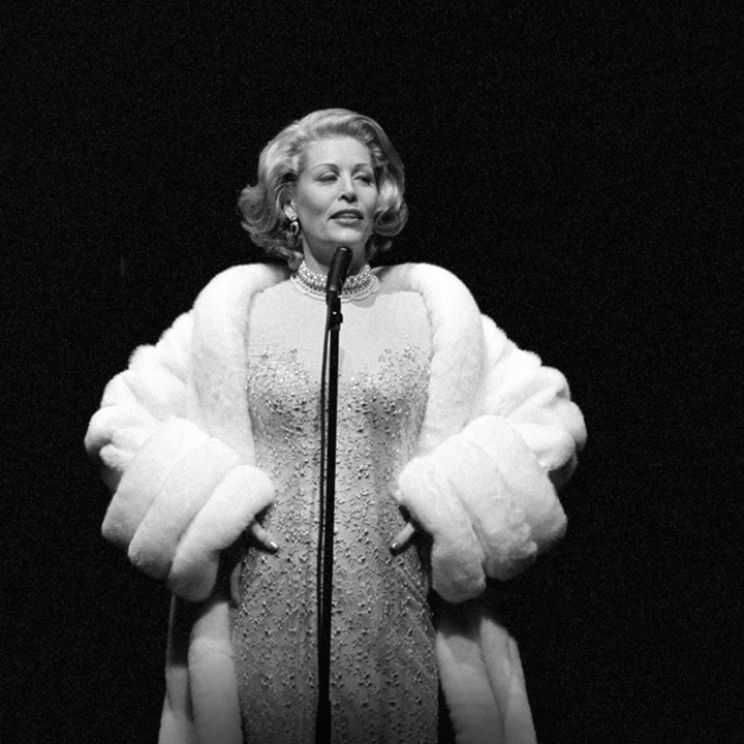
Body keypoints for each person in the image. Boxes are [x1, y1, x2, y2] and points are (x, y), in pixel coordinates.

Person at [85, 108, 586, 744]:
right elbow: (121, 427)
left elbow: (549, 423)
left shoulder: (433, 313)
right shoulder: (235, 316)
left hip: (401, 613)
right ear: (288, 202)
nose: (350, 191)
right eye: (328, 177)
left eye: (364, 177)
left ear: (382, 199)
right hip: (259, 612)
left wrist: (456, 501)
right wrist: (212, 506)